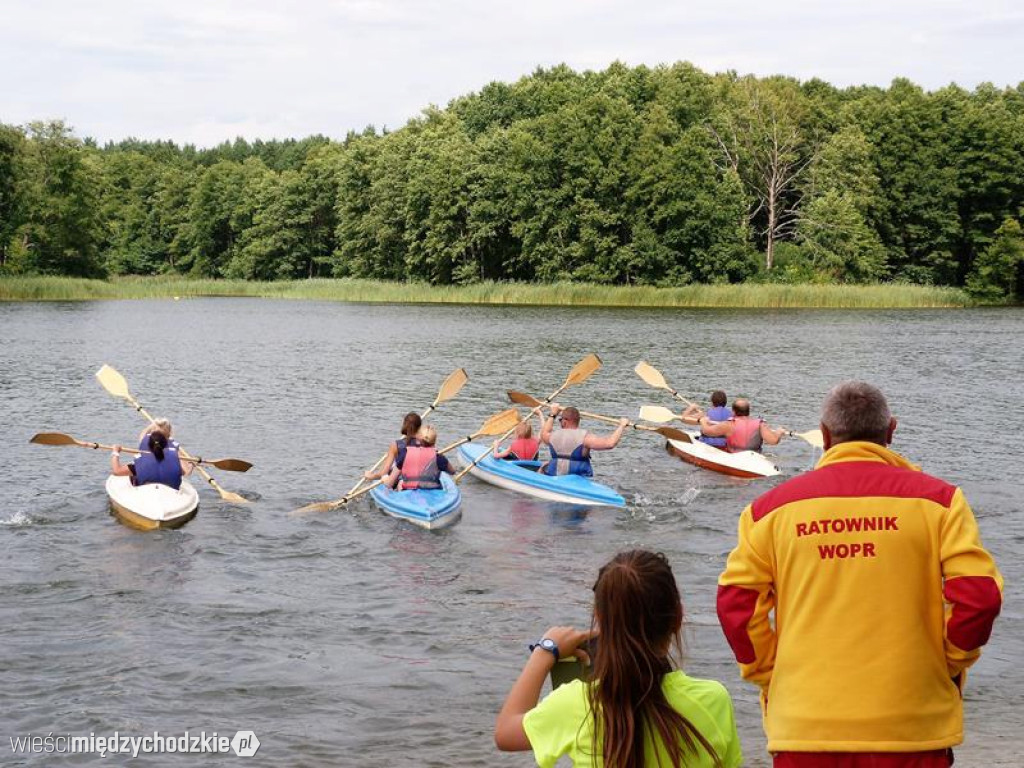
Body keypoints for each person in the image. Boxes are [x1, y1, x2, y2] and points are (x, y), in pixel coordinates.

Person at [716, 381, 1003, 767]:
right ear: (890, 431)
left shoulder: (769, 511)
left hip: (805, 729)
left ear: (825, 434)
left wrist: (770, 673)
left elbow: (736, 603)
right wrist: (948, 660)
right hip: (913, 728)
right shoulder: (941, 502)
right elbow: (979, 597)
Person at [495, 549, 742, 767]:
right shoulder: (713, 700)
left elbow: (505, 733)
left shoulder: (579, 704)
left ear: (601, 622)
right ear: (677, 618)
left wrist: (544, 651)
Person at [538, 404, 628, 477]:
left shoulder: (553, 436)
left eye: (560, 419)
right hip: (577, 479)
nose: (560, 422)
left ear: (565, 421)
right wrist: (622, 426)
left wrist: (553, 414)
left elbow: (544, 433)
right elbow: (610, 443)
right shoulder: (585, 438)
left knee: (543, 467)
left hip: (555, 476)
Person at [109, 431, 193, 490]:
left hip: (147, 493)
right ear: (165, 445)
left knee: (133, 475)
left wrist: (115, 452)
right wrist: (191, 465)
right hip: (170, 493)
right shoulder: (174, 460)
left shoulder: (140, 463)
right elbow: (186, 472)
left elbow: (116, 471)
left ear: (148, 446)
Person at [697, 398, 785, 453]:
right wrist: (779, 432)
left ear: (734, 412)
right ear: (748, 411)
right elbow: (773, 441)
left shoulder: (729, 424)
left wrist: (703, 421)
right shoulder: (760, 424)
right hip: (754, 457)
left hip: (735, 457)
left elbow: (707, 431)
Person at [383, 424, 454, 490]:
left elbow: (390, 483)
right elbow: (452, 472)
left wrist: (384, 478)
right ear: (434, 442)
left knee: (400, 483)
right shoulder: (439, 458)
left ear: (417, 440)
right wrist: (441, 457)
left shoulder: (405, 453)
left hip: (409, 491)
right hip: (432, 494)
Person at [364, 412, 421, 482]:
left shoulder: (395, 445)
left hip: (401, 481)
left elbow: (383, 473)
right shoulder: (426, 443)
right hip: (420, 480)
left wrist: (371, 476)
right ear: (419, 427)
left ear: (404, 425)